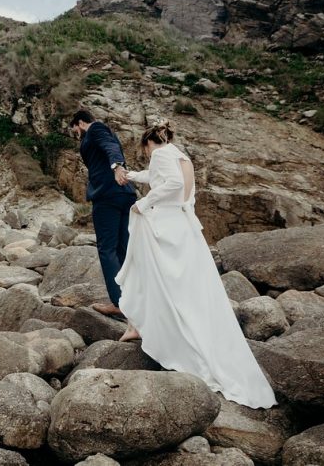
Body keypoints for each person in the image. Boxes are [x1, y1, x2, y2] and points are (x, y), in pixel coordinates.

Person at [116, 120, 277, 409]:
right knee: (189, 288)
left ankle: (156, 331)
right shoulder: (180, 155)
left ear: (147, 144)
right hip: (183, 224)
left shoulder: (161, 155)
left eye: (145, 152)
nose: (148, 156)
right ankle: (144, 324)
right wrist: (132, 175)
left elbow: (172, 184)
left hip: (167, 225)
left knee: (160, 278)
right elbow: (160, 178)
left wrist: (145, 203)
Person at [69, 110, 137, 317]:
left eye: (73, 129)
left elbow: (111, 147)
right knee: (123, 249)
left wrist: (117, 166)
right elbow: (109, 145)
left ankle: (119, 303)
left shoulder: (96, 129)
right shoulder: (106, 132)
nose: (74, 134)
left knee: (107, 249)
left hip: (107, 196)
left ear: (80, 122)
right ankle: (134, 298)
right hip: (124, 195)